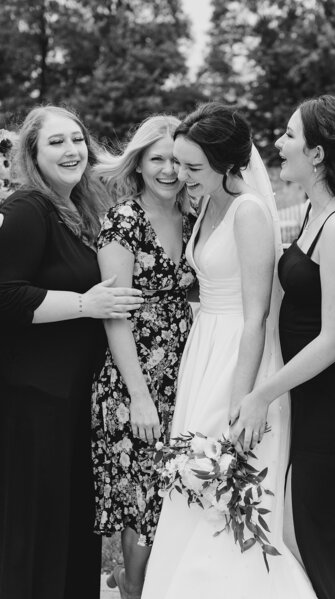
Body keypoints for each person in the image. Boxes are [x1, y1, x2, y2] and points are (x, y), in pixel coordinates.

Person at [141, 102, 317, 599]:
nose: (180, 175)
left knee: (229, 492)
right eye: (177, 162)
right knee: (192, 489)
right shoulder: (204, 206)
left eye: (194, 168)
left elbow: (257, 314)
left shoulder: (250, 212)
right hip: (204, 351)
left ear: (229, 164)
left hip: (241, 358)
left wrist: (242, 401)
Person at [231, 95, 335, 599]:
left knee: (322, 536)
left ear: (318, 153)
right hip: (313, 397)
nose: (278, 144)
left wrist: (261, 396)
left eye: (288, 135)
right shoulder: (311, 214)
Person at [0, 105, 142, 599]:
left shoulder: (82, 209)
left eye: (77, 139)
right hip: (35, 398)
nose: (71, 150)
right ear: (32, 154)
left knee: (71, 524)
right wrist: (86, 303)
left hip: (74, 396)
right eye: (56, 142)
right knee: (37, 526)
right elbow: (5, 294)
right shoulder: (27, 209)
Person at [91, 115, 196, 599]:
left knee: (172, 489)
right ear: (139, 164)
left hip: (186, 366)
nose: (170, 169)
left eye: (177, 158)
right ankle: (132, 589)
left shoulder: (195, 217)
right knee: (144, 495)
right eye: (158, 159)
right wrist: (139, 397)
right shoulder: (123, 221)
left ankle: (146, 583)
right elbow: (115, 316)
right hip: (136, 375)